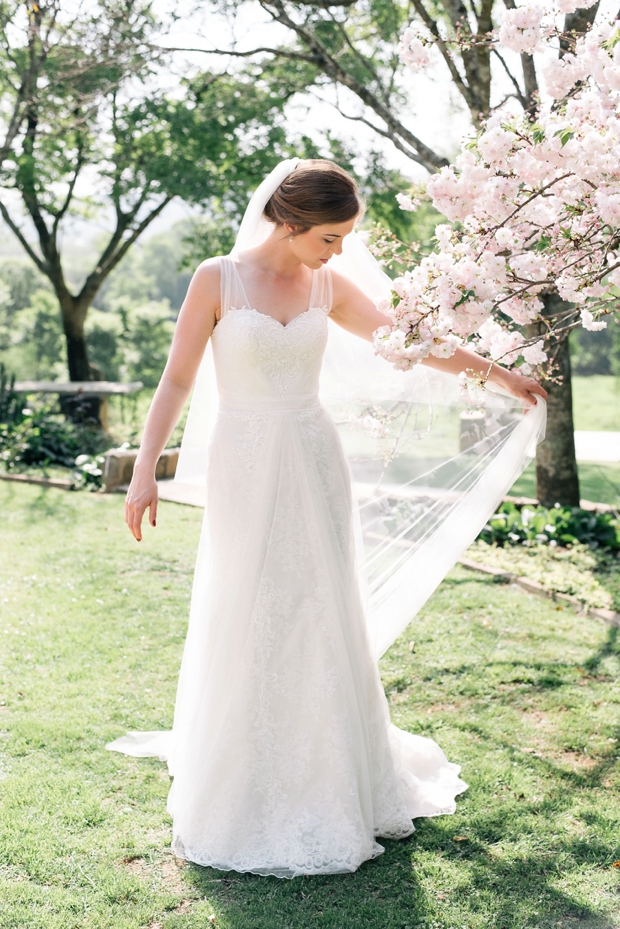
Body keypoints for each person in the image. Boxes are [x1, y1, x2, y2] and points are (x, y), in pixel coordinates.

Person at [115, 159, 547, 878]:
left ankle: (334, 767)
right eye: (329, 237)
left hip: (314, 458)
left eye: (345, 238)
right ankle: (244, 766)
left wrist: (497, 373)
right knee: (248, 602)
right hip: (245, 461)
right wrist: (143, 468)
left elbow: (412, 342)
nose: (339, 251)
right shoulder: (216, 278)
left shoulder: (325, 284)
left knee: (319, 601)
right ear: (288, 222)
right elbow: (180, 376)